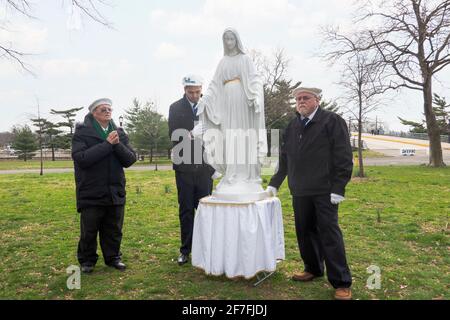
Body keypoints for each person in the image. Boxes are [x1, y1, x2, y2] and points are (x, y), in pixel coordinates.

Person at [266, 87, 354, 300]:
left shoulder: (332, 121)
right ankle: (313, 268)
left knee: (329, 234)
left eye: (305, 98)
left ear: (317, 100)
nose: (301, 102)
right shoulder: (294, 125)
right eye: (298, 99)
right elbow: (285, 158)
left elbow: (343, 155)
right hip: (300, 190)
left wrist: (338, 187)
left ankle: (341, 282)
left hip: (325, 191)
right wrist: (274, 183)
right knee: (304, 232)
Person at [197, 28, 267, 202]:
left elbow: (255, 79)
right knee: (229, 137)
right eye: (226, 39)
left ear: (237, 40)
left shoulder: (245, 59)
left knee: (243, 136)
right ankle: (232, 174)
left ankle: (246, 175)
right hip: (226, 104)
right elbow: (214, 85)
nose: (229, 42)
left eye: (231, 38)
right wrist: (205, 99)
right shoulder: (223, 62)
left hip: (242, 102)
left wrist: (256, 96)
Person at [72, 98, 136, 273]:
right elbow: (82, 159)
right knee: (89, 230)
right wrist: (107, 144)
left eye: (109, 109)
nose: (107, 111)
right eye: (103, 109)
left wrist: (116, 145)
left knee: (114, 229)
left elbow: (130, 159)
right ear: (94, 113)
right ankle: (87, 261)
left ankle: (113, 257)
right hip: (91, 190)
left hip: (115, 190)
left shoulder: (119, 133)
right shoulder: (82, 133)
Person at [168, 75, 218, 265]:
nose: (195, 95)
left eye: (197, 92)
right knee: (187, 210)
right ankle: (186, 250)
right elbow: (173, 136)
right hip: (185, 167)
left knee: (206, 209)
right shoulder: (175, 108)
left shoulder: (210, 105)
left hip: (205, 167)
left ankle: (207, 248)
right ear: (185, 90)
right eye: (191, 92)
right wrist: (189, 134)